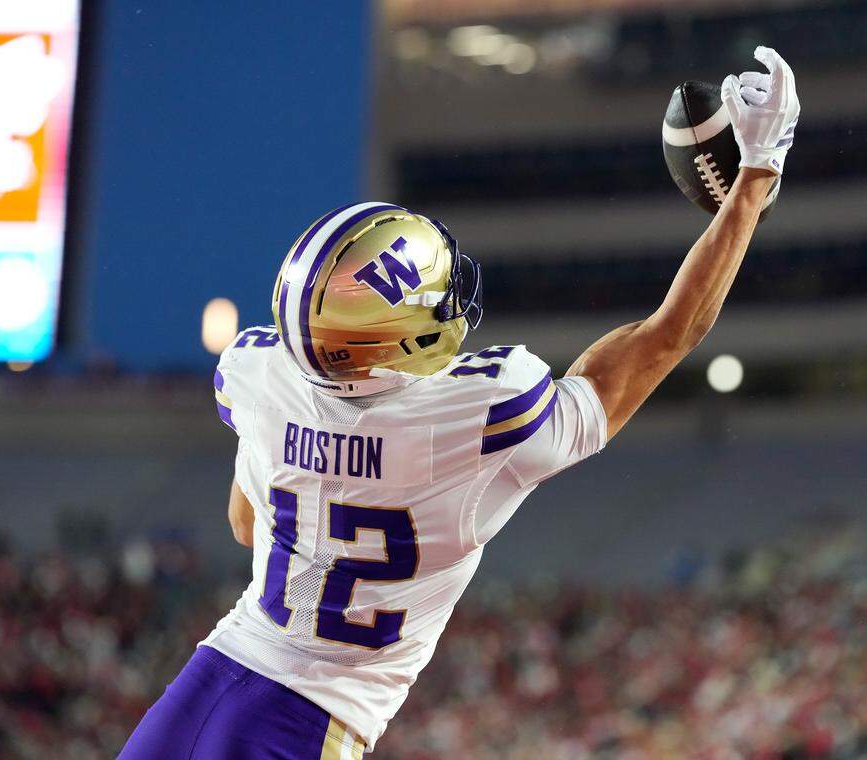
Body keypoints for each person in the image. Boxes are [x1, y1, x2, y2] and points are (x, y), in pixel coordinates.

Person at [120, 45, 800, 760]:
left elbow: (243, 524)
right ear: (398, 337)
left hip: (218, 669)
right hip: (317, 718)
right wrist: (755, 176)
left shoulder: (261, 371)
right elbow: (666, 337)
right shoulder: (480, 413)